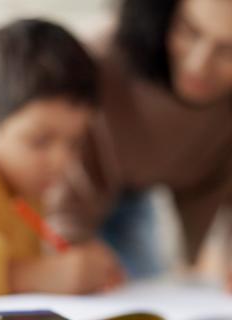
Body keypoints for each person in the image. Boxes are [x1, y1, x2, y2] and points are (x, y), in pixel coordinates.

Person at [46, 0, 232, 280]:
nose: (198, 64)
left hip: (144, 200)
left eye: (228, 50)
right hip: (71, 197)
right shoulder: (97, 64)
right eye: (190, 31)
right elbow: (60, 203)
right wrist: (69, 254)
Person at [0, 18, 124, 297]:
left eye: (75, 143)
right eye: (40, 141)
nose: (62, 162)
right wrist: (28, 275)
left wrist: (72, 268)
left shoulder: (26, 191)